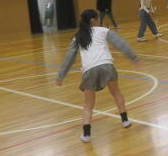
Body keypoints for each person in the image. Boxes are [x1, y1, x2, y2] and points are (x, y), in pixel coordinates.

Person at [56, 9, 139, 143]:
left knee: (88, 104)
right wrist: (133, 57)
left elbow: (69, 57)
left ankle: (86, 134)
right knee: (116, 93)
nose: (100, 20)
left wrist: (61, 76)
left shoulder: (77, 37)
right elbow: (121, 43)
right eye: (98, 18)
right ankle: (125, 120)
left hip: (89, 70)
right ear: (93, 20)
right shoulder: (103, 30)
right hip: (107, 66)